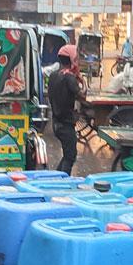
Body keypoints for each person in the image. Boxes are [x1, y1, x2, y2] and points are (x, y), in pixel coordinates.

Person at [47, 44, 86, 175]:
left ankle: (56, 178)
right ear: (72, 59)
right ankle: (62, 181)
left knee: (67, 155)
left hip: (56, 122)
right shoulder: (69, 78)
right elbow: (82, 96)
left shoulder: (53, 75)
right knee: (70, 156)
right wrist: (82, 81)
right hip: (66, 123)